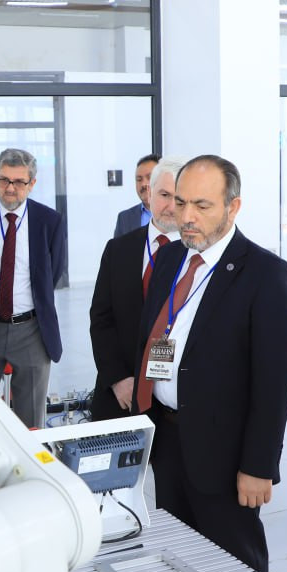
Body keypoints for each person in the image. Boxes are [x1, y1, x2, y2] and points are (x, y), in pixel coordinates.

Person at [132, 155, 287, 572]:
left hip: (225, 454)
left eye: (202, 205)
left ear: (233, 207)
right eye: (181, 202)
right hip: (168, 439)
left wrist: (259, 466)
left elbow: (274, 384)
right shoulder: (170, 259)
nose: (186, 216)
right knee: (179, 556)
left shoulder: (266, 275)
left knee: (236, 565)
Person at [0, 148, 67, 428]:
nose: (10, 188)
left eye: (19, 181)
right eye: (4, 180)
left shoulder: (50, 221)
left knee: (30, 421)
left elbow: (54, 271)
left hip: (31, 331)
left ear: (32, 184)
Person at [89, 156, 182, 421]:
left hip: (175, 401)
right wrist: (118, 378)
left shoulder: (197, 255)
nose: (171, 206)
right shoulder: (118, 249)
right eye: (164, 195)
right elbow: (101, 319)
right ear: (149, 194)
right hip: (121, 394)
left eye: (179, 198)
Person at [113, 153, 160, 238]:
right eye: (139, 179)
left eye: (149, 177)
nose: (143, 184)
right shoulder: (124, 218)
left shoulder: (177, 214)